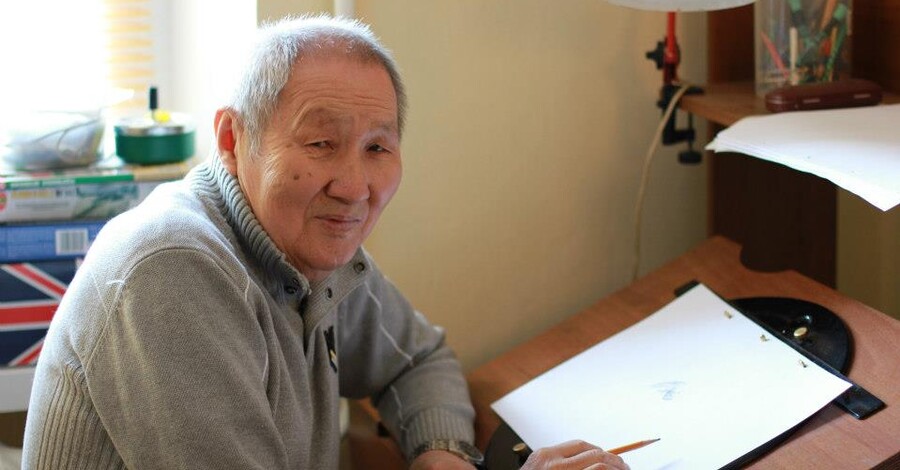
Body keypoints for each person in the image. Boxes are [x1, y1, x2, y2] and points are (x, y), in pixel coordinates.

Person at [22, 15, 629, 470]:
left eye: (377, 147)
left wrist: (440, 455)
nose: (354, 186)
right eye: (320, 144)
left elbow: (419, 359)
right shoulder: (171, 271)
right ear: (232, 140)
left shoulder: (307, 248)